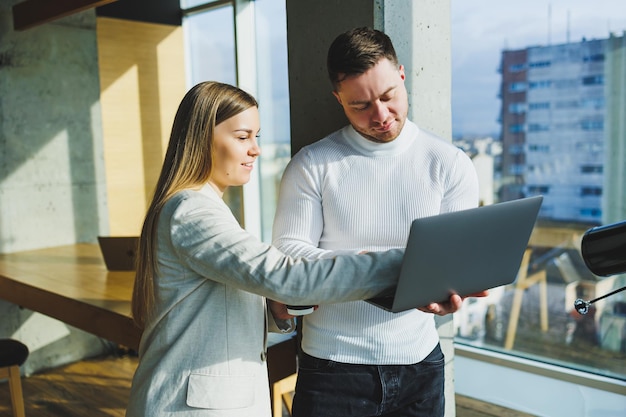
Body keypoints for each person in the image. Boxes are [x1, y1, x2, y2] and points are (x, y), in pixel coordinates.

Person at [125, 81, 407, 417]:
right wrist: (404, 263)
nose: (255, 149)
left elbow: (212, 305)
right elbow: (284, 275)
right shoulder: (191, 211)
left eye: (256, 136)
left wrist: (273, 312)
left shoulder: (200, 206)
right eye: (243, 137)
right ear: (202, 139)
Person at [272, 27, 485, 417]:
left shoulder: (450, 164)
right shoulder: (312, 164)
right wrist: (375, 263)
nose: (381, 116)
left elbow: (453, 259)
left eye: (389, 97)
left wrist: (452, 290)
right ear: (339, 99)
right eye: (360, 106)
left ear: (402, 76)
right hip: (332, 367)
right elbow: (288, 257)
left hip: (421, 365)